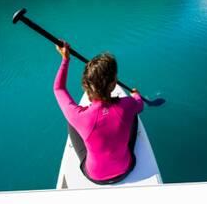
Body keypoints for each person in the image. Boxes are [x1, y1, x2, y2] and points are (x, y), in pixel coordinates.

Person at [53, 41, 144, 185]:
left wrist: (65, 59)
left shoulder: (79, 117)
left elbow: (58, 89)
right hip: (126, 169)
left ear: (88, 88)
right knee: (134, 116)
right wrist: (136, 95)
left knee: (71, 121)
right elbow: (140, 105)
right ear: (114, 84)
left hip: (95, 177)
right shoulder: (128, 104)